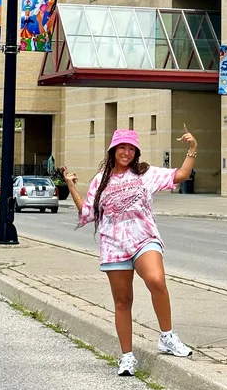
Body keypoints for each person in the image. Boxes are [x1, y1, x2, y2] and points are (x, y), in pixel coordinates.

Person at [63, 125, 198, 377]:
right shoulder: (99, 181)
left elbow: (180, 175)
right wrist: (72, 187)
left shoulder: (144, 174)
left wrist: (192, 149)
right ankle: (127, 356)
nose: (126, 152)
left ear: (136, 152)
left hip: (143, 239)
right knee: (123, 302)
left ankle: (167, 336)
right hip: (113, 245)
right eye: (122, 148)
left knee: (156, 280)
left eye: (131, 148)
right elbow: (87, 214)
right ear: (113, 150)